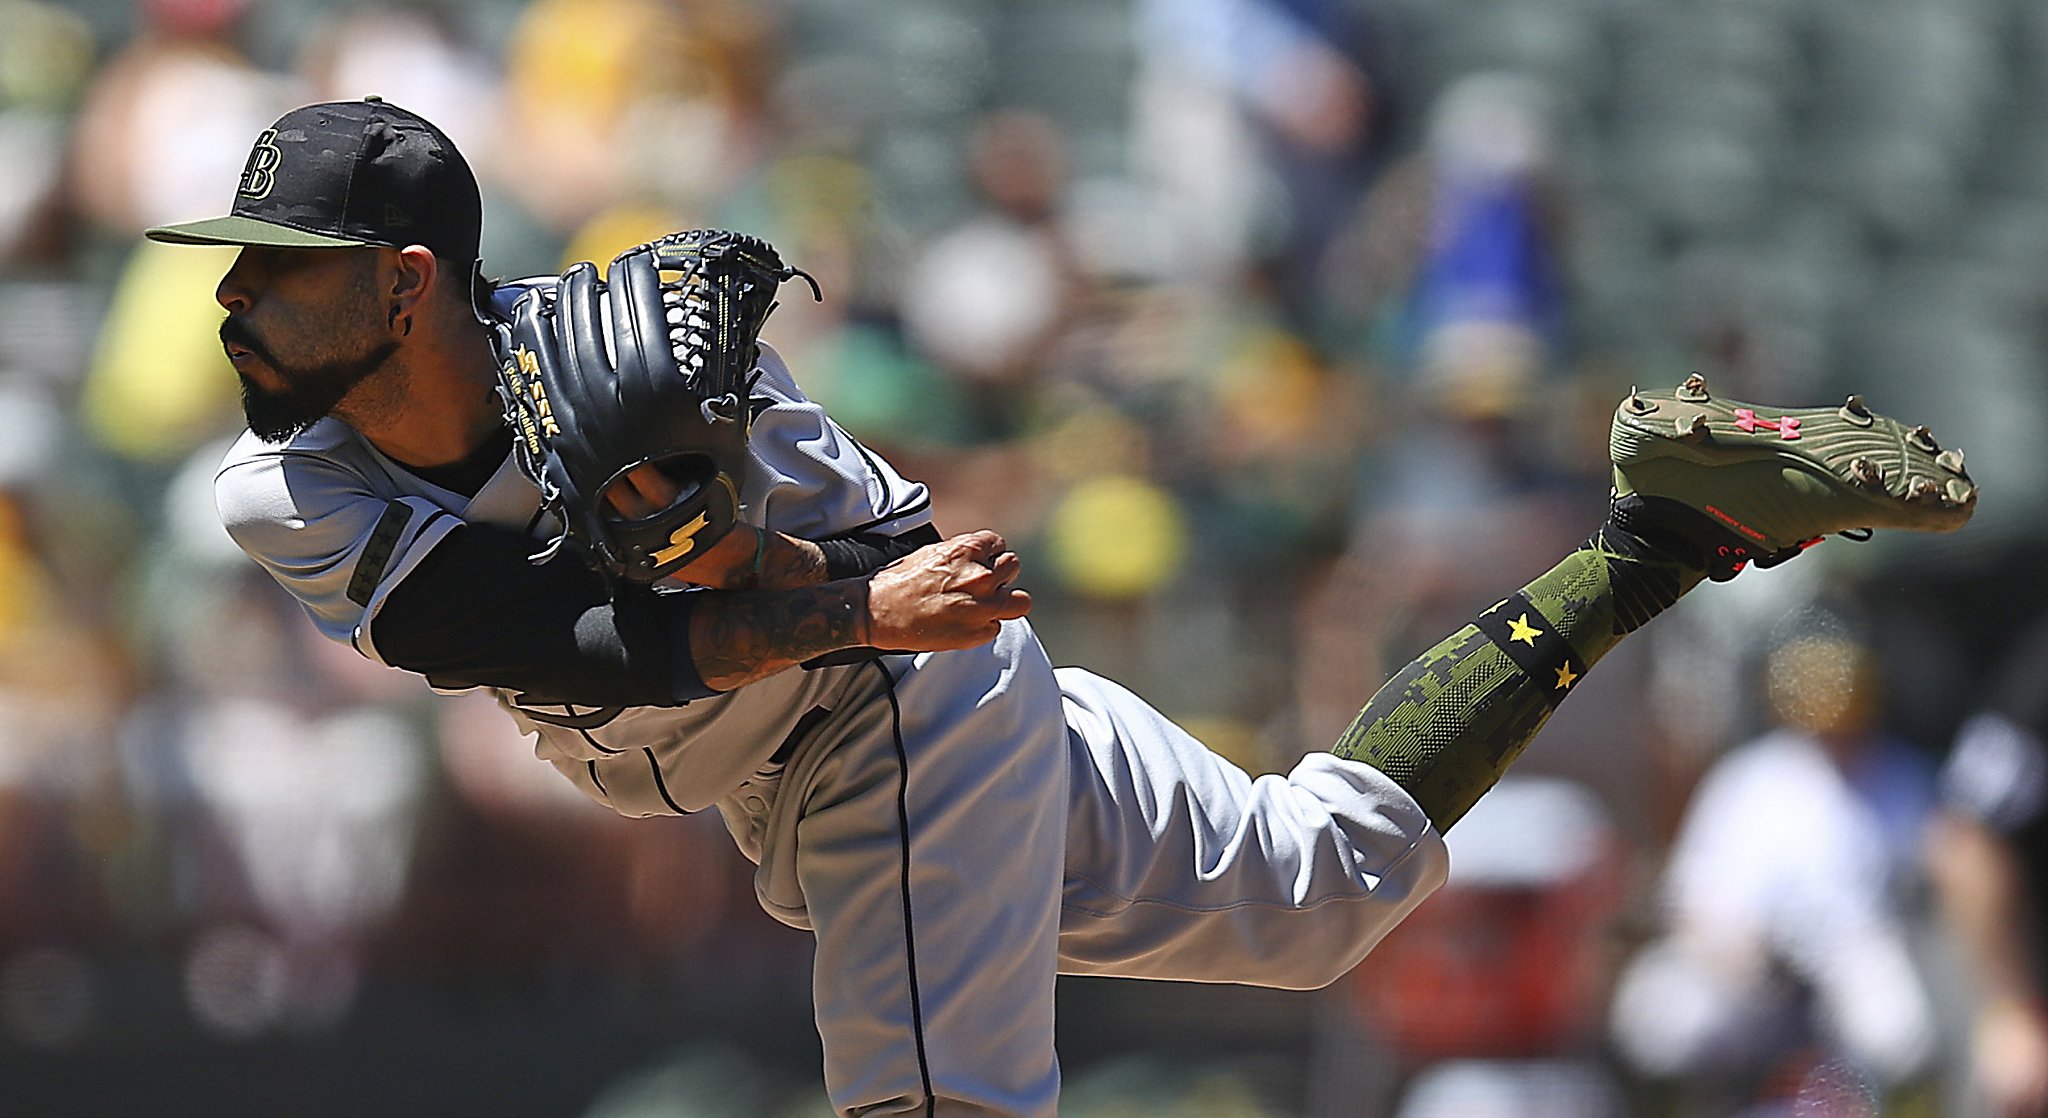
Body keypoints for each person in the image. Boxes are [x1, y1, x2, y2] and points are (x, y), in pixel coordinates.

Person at [147, 99, 1976, 1117]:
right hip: (819, 711)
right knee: (1315, 893)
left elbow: (893, 581)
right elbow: (509, 634)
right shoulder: (282, 479)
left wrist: (753, 561)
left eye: (276, 278)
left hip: (897, 718)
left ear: (402, 286)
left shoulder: (648, 365)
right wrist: (744, 584)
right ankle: (1654, 540)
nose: (235, 309)